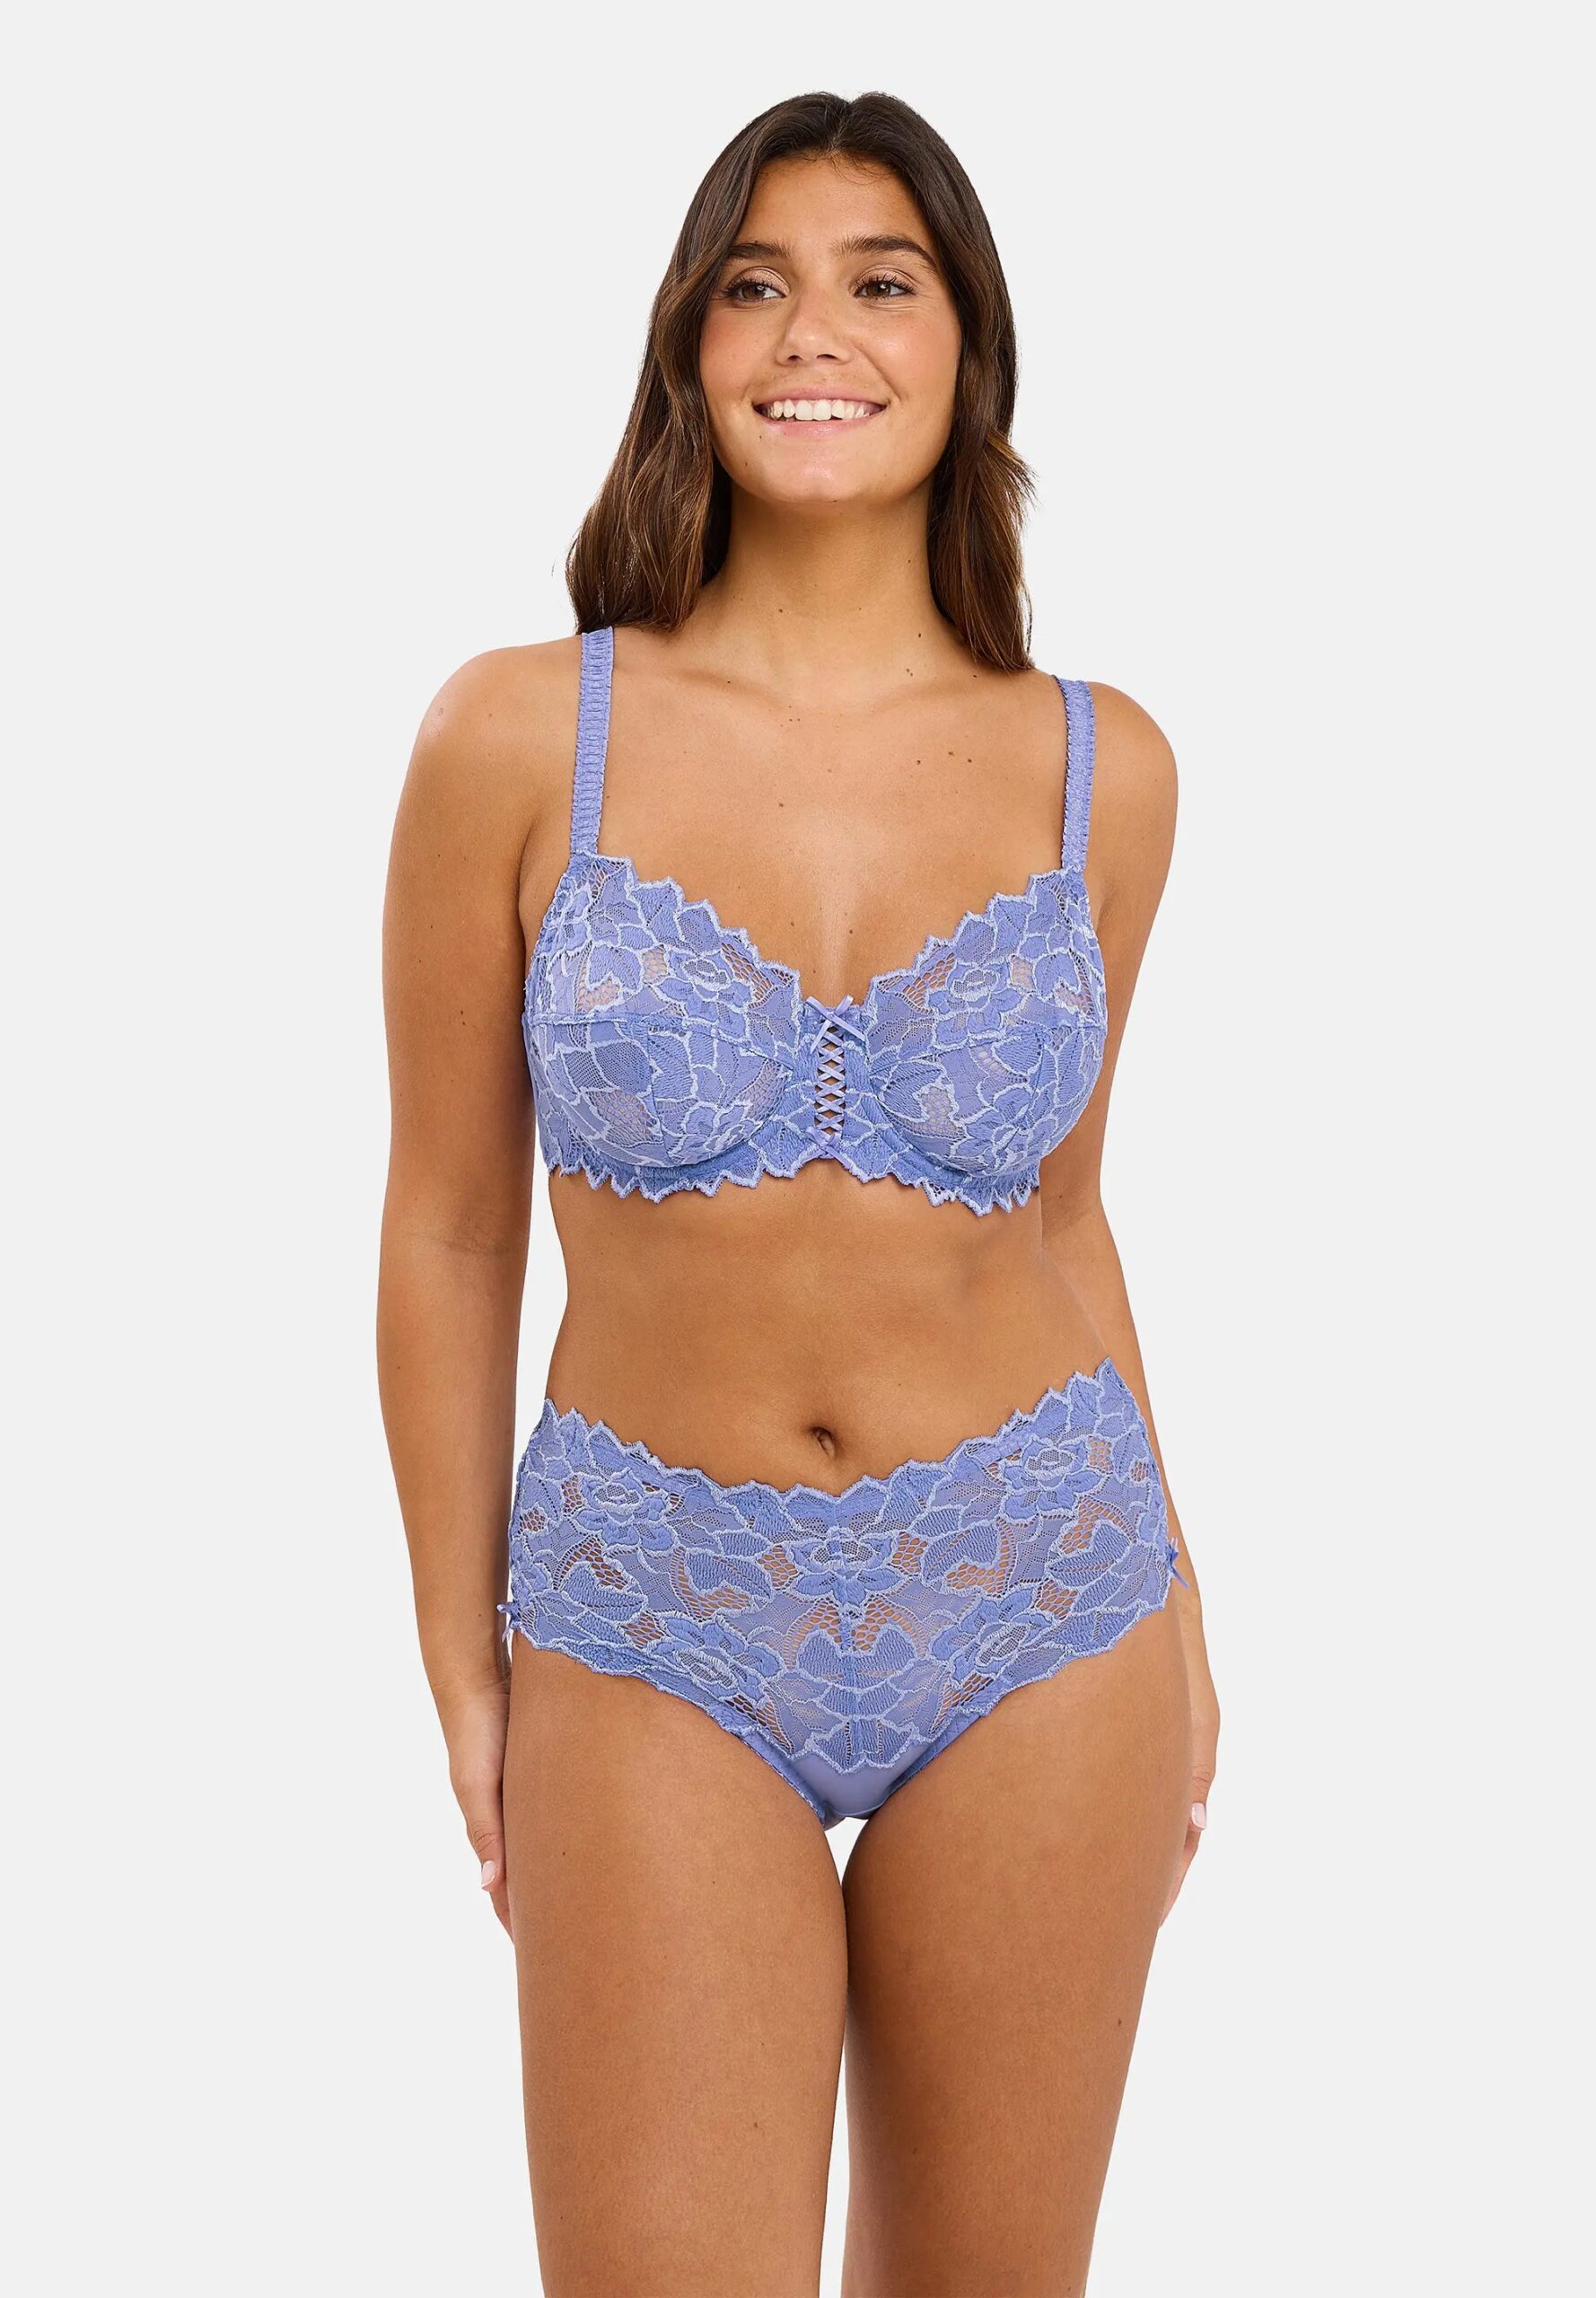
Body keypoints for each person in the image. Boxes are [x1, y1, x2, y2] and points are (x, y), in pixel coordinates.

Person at [379, 87, 1220, 2296]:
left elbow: (1060, 1220)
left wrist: (1181, 1609)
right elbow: (448, 1228)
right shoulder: (516, 737)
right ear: (690, 345)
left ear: (968, 352)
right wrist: (464, 1661)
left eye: (879, 281)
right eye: (753, 284)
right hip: (650, 1608)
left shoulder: (1100, 768)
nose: (810, 332)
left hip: (1043, 1595)